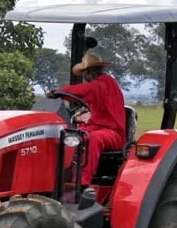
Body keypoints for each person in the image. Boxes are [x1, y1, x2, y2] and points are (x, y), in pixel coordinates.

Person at [52, 52, 126, 187]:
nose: (84, 77)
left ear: (90, 72)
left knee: (94, 138)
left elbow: (85, 90)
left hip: (113, 133)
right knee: (70, 135)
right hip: (97, 127)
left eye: (85, 73)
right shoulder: (99, 86)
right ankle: (62, 176)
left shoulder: (104, 84)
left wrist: (60, 91)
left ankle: (82, 181)